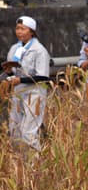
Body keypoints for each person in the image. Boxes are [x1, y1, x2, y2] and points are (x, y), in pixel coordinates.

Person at [2, 16, 50, 153]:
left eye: (23, 29)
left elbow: (43, 76)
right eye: (17, 28)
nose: (19, 32)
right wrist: (8, 71)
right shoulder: (14, 48)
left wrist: (20, 80)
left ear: (32, 31)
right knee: (15, 130)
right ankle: (20, 167)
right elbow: (13, 70)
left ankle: (35, 167)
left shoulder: (39, 50)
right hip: (18, 92)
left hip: (34, 93)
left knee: (29, 132)